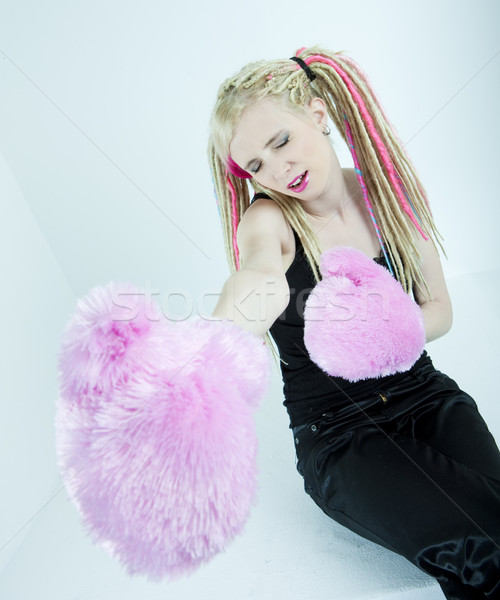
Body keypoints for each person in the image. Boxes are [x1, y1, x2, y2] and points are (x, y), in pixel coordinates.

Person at [207, 46, 500, 599]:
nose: (277, 170)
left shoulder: (389, 193)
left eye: (281, 142)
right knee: (478, 541)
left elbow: (439, 307)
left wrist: (391, 332)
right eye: (256, 166)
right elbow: (261, 278)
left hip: (429, 398)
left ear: (318, 115)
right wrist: (216, 343)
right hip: (340, 434)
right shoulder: (269, 217)